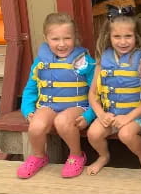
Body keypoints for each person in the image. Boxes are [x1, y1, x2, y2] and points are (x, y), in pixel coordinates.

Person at [18, 12, 96, 178]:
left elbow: (97, 92)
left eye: (67, 38)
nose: (62, 44)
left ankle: (76, 155)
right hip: (49, 105)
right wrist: (28, 110)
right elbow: (30, 90)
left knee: (62, 122)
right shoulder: (40, 63)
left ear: (75, 37)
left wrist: (89, 115)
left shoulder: (85, 62)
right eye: (55, 39)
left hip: (77, 106)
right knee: (36, 126)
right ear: (46, 38)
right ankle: (39, 156)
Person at [86, 5, 141, 179]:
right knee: (93, 134)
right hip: (111, 114)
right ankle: (104, 156)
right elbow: (92, 94)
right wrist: (101, 114)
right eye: (117, 36)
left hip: (137, 115)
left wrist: (128, 118)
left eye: (128, 36)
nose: (123, 42)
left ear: (136, 36)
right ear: (109, 36)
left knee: (126, 134)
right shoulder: (103, 59)